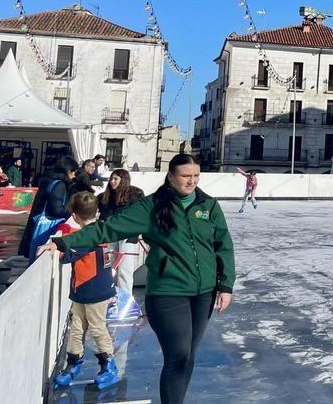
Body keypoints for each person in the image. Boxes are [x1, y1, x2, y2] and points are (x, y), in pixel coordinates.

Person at [37, 153, 235, 404]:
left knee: (188, 357)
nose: (191, 181)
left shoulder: (208, 206)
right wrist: (63, 242)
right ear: (171, 176)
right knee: (178, 356)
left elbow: (223, 246)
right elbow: (107, 228)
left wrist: (225, 284)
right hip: (168, 292)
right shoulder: (152, 206)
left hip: (203, 293)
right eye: (185, 176)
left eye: (196, 176)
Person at [50, 192, 120, 390]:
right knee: (77, 328)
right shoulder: (99, 229)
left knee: (97, 329)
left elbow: (67, 256)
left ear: (74, 214)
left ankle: (109, 366)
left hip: (94, 291)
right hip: (82, 290)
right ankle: (73, 363)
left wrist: (55, 244)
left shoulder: (87, 236)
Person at [17, 157, 79, 260]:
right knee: (40, 255)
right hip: (47, 226)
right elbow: (57, 210)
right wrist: (71, 211)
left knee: (34, 255)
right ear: (68, 171)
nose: (74, 176)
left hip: (36, 223)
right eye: (74, 172)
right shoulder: (60, 185)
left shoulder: (48, 180)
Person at [98, 169, 146, 291]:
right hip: (110, 235)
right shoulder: (105, 197)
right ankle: (110, 295)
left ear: (123, 180)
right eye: (111, 179)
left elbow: (141, 216)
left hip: (127, 237)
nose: (112, 182)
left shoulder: (135, 196)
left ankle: (125, 299)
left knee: (124, 271)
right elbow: (103, 215)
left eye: (116, 179)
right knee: (110, 269)